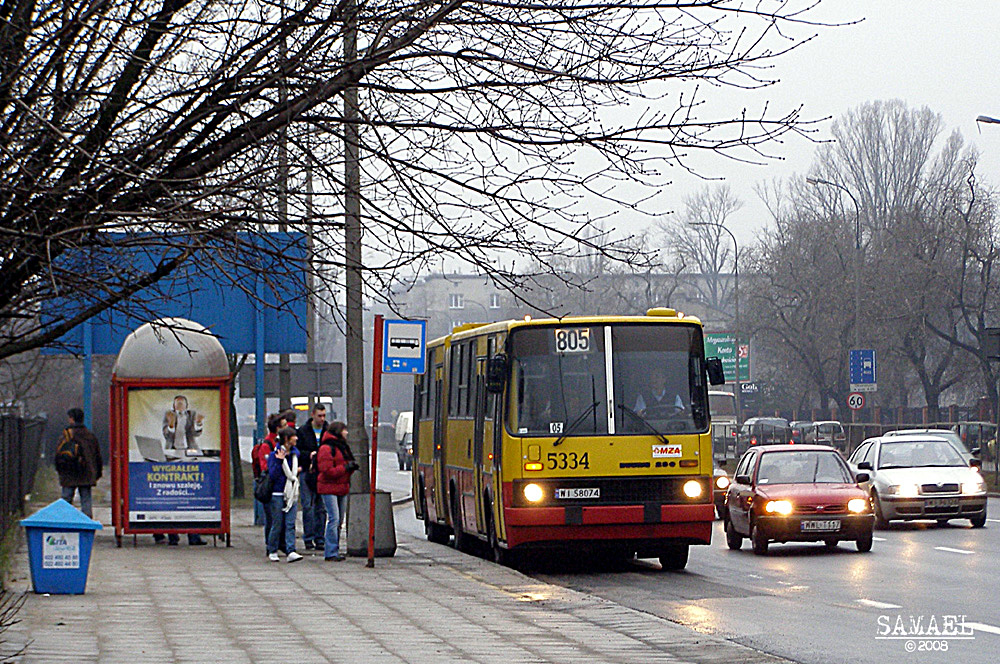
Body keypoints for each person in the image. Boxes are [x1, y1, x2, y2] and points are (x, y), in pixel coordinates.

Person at [316, 421, 359, 561]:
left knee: (339, 520)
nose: (347, 433)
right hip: (329, 487)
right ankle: (330, 551)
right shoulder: (326, 448)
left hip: (341, 486)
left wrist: (350, 468)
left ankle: (334, 549)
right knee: (333, 519)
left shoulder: (342, 447)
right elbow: (327, 471)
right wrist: (345, 468)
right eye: (344, 430)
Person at [54, 408, 102, 518]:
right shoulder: (90, 436)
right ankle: (87, 525)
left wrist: (60, 471)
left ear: (71, 419)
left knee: (66, 500)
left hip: (69, 473)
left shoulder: (66, 436)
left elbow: (58, 455)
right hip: (86, 473)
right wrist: (96, 473)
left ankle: (65, 523)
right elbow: (97, 456)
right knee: (86, 500)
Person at [266, 426, 303, 563]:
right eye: (294, 436)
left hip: (291, 493)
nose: (296, 438)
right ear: (287, 439)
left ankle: (291, 550)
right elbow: (273, 474)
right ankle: (272, 549)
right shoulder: (274, 455)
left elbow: (295, 470)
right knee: (277, 523)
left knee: (290, 523)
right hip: (278, 493)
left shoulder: (294, 455)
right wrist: (279, 461)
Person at [296, 404, 329, 551]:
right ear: (313, 415)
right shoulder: (303, 431)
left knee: (321, 508)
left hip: (322, 472)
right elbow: (297, 451)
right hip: (307, 472)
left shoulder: (328, 431)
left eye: (324, 416)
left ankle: (320, 538)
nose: (322, 419)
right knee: (308, 506)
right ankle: (308, 538)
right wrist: (308, 455)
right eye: (319, 416)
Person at [252, 413, 283, 537]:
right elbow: (266, 467)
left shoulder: (280, 443)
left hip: (281, 486)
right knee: (271, 519)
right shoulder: (267, 445)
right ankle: (270, 545)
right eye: (284, 425)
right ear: (278, 428)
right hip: (270, 487)